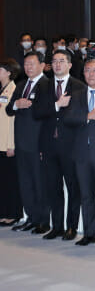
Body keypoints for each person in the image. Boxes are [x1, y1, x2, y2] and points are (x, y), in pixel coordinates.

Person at [33, 49, 85, 241]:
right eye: (54, 61)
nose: (57, 64)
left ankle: (71, 227)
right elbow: (36, 113)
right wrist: (56, 105)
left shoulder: (79, 87)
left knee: (73, 187)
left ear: (70, 65)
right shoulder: (43, 86)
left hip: (71, 146)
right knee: (53, 187)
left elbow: (81, 118)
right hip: (48, 145)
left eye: (61, 61)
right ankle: (57, 226)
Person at [63, 59, 95, 246]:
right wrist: (87, 116)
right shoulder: (76, 95)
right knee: (86, 195)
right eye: (87, 70)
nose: (91, 74)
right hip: (81, 153)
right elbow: (67, 119)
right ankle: (89, 233)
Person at [6, 51, 50, 234]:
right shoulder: (22, 85)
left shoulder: (47, 85)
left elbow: (47, 116)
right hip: (21, 142)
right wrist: (17, 105)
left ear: (42, 65)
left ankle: (43, 220)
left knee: (40, 183)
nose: (28, 67)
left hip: (38, 142)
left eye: (32, 64)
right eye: (26, 64)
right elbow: (9, 109)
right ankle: (30, 217)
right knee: (25, 182)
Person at [0, 59, 22, 227]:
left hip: (7, 144)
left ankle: (12, 213)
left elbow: (13, 121)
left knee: (10, 181)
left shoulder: (13, 89)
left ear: (8, 72)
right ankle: (3, 211)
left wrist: (11, 144)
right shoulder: (2, 89)